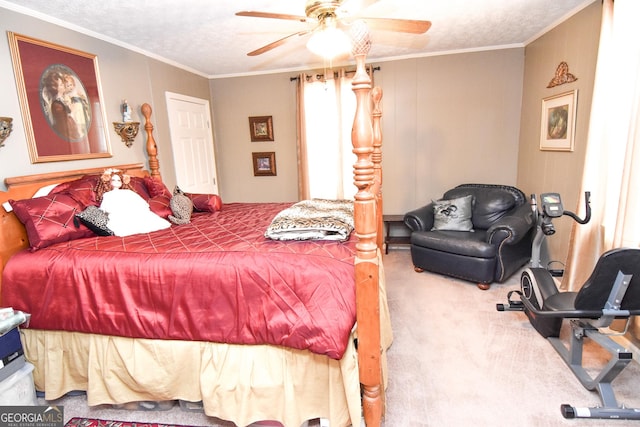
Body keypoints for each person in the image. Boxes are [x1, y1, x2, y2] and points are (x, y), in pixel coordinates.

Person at [96, 168, 171, 237]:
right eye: (113, 180)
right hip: (119, 215)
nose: (116, 182)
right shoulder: (108, 195)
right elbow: (105, 208)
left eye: (119, 180)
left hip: (134, 212)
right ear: (109, 181)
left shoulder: (128, 192)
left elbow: (140, 203)